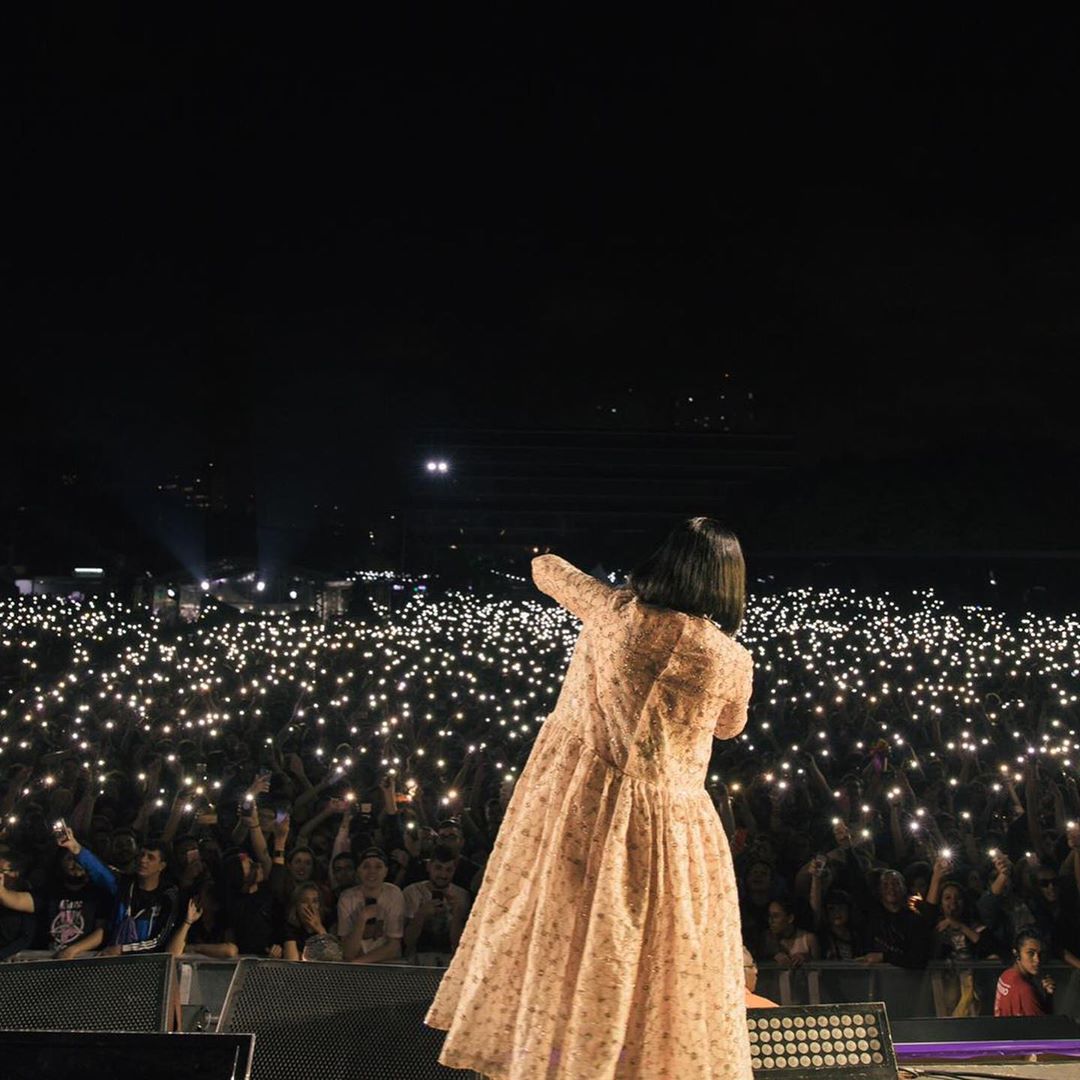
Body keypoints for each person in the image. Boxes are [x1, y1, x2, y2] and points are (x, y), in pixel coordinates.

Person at [425, 518, 756, 1079]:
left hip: (587, 813)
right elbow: (729, 726)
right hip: (676, 829)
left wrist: (554, 559)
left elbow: (547, 572)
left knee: (567, 944)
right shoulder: (732, 660)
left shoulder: (616, 614)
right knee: (663, 963)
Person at [60, 828, 179, 955]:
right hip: (116, 962)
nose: (143, 860)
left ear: (162, 866)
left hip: (146, 964)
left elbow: (160, 940)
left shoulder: (168, 894)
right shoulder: (125, 885)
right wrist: (75, 848)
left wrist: (122, 949)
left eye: (150, 857)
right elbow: (100, 871)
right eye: (141, 855)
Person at [402, 844, 472, 965]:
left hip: (451, 963)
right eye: (438, 868)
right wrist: (421, 914)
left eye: (448, 870)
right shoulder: (412, 892)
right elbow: (407, 943)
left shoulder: (462, 896)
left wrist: (457, 915)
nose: (443, 875)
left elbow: (460, 947)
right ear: (429, 866)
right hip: (416, 963)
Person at [337, 847, 405, 964]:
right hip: (355, 962)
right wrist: (362, 918)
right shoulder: (347, 898)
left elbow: (394, 947)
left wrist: (358, 963)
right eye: (366, 866)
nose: (371, 871)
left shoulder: (393, 893)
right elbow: (348, 952)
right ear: (358, 870)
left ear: (386, 871)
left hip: (384, 963)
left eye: (378, 866)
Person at [994, 928, 1054, 1017]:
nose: (1037, 960)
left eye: (1041, 953)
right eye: (1030, 953)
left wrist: (1048, 995)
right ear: (1016, 953)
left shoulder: (1005, 975)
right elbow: (1043, 1027)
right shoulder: (1025, 991)